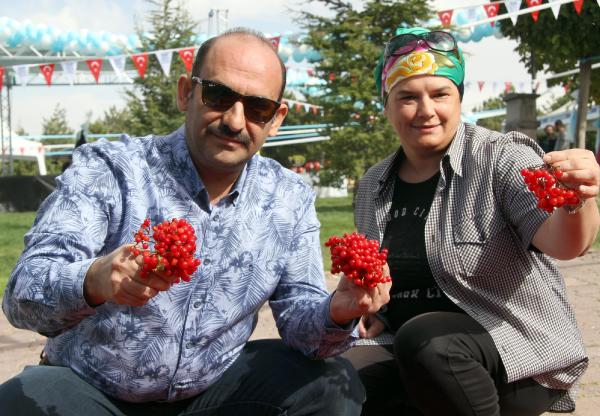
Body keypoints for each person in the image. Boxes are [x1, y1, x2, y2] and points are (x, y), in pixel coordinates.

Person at [1, 28, 392, 415]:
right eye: (219, 96)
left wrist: (337, 312)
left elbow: (301, 325)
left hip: (213, 392)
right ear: (186, 93)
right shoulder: (112, 169)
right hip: (94, 389)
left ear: (276, 118)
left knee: (330, 386)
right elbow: (23, 296)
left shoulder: (288, 197)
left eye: (257, 108)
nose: (235, 121)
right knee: (22, 400)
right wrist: (94, 279)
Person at [342, 26, 600, 416]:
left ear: (460, 98)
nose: (426, 110)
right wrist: (372, 312)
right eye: (407, 97)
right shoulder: (373, 185)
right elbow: (375, 278)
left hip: (512, 360)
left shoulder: (503, 159)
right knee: (333, 391)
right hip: (413, 358)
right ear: (387, 106)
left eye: (440, 94)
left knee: (428, 343)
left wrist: (576, 200)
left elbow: (566, 245)